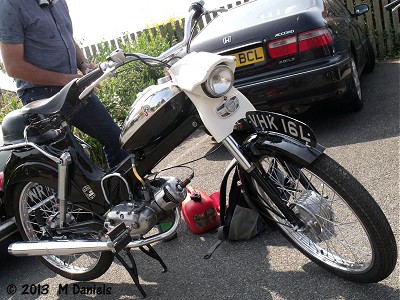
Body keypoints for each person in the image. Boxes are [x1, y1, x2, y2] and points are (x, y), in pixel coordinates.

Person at [0, 0, 127, 168]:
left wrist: (83, 64)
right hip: (40, 96)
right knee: (68, 163)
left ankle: (122, 193)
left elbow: (68, 38)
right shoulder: (10, 4)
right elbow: (13, 67)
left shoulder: (58, 2)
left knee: (115, 138)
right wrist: (65, 79)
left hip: (72, 89)